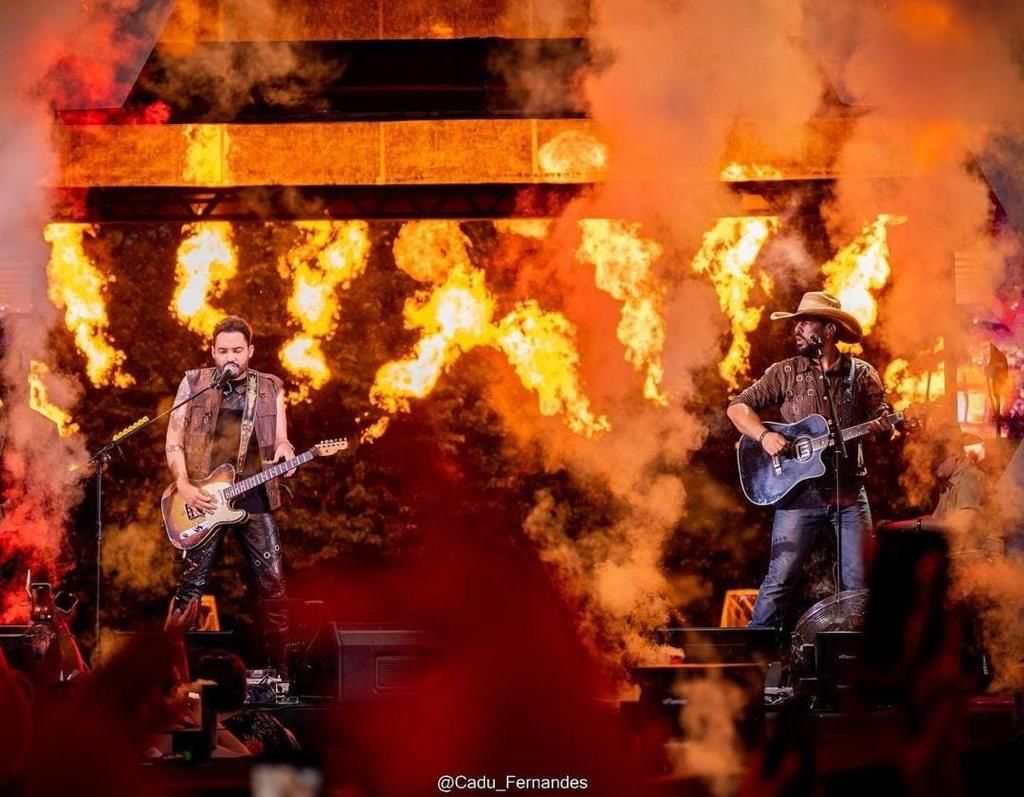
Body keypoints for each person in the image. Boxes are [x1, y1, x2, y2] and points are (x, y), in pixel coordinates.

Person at [726, 291, 892, 629]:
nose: (797, 329)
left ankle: (854, 663)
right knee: (780, 579)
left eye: (805, 322)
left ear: (828, 330)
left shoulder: (860, 375)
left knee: (858, 583)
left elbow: (883, 422)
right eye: (797, 323)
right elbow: (737, 407)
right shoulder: (784, 372)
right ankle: (751, 655)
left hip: (848, 495)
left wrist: (886, 426)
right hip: (799, 496)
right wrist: (764, 436)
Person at [165, 316, 296, 672]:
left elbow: (281, 438)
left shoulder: (270, 387)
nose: (230, 357)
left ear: (250, 351)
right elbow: (173, 440)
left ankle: (281, 674)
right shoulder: (194, 382)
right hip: (204, 500)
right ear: (212, 352)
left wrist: (285, 451)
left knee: (272, 583)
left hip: (254, 496)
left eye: (237, 350)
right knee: (191, 586)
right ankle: (175, 675)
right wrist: (186, 485)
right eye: (223, 351)